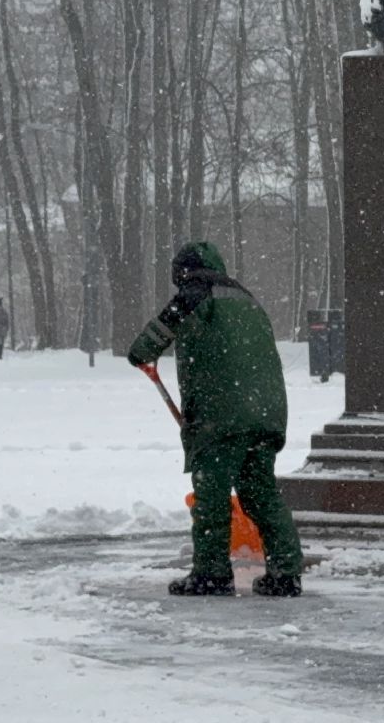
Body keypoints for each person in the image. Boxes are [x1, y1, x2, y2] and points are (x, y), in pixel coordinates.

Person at [128, 241, 305, 597]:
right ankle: (286, 571)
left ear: (183, 271)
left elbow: (152, 338)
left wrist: (140, 353)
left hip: (221, 415)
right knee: (261, 494)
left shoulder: (196, 292)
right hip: (266, 412)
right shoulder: (248, 299)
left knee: (211, 495)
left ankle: (211, 574)